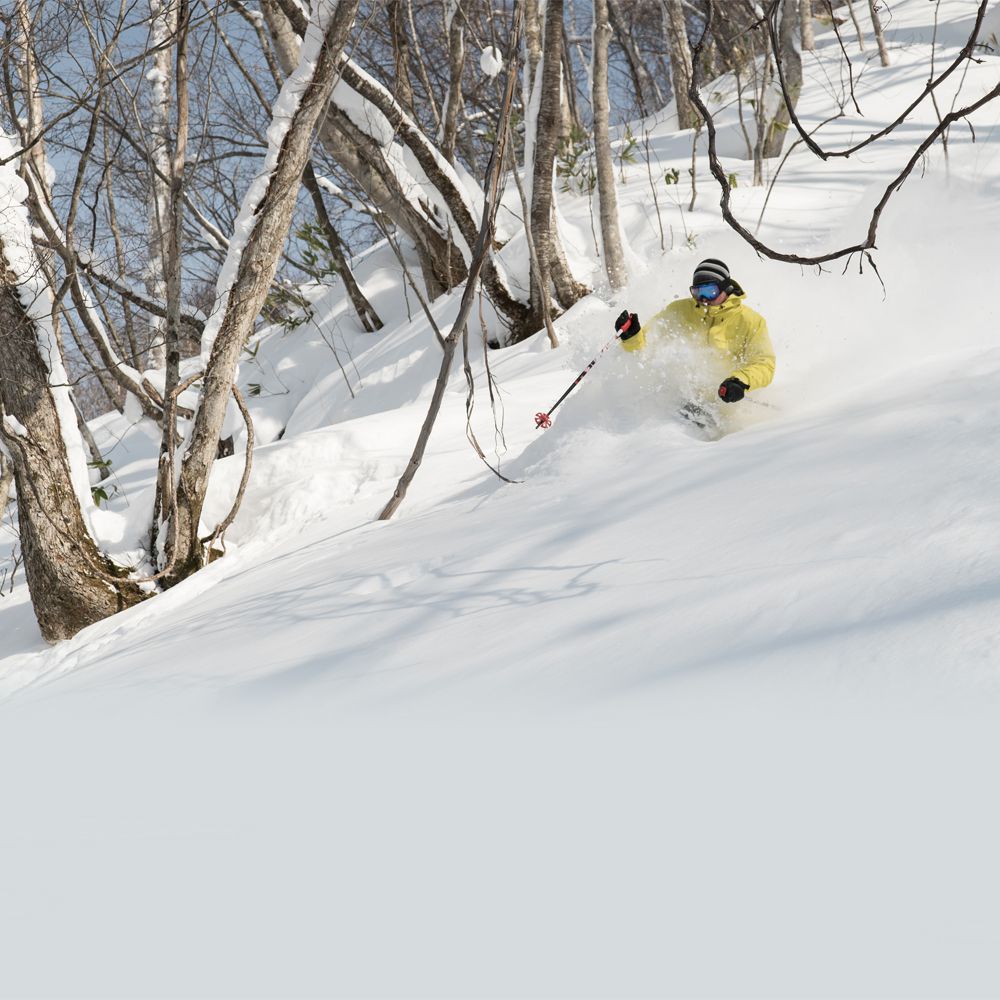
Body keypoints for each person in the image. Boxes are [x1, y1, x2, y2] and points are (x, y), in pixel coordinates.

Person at [614, 258, 775, 423]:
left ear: (726, 288)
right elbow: (645, 347)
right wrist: (631, 336)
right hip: (681, 401)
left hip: (725, 403)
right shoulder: (679, 311)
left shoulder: (750, 321)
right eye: (697, 292)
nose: (703, 299)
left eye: (710, 291)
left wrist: (740, 381)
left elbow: (764, 363)